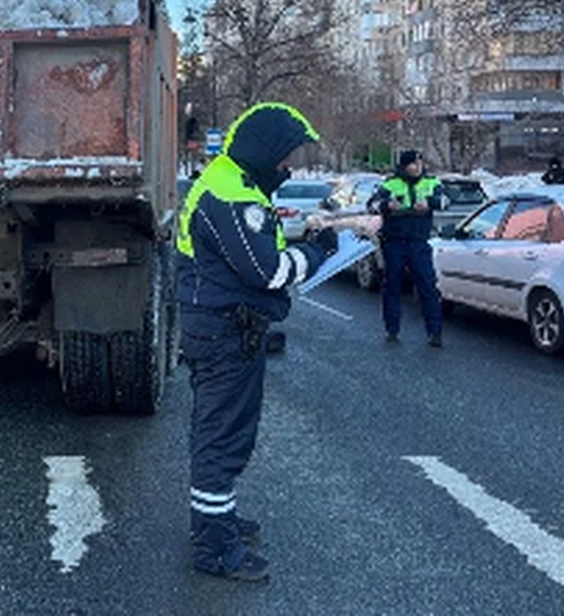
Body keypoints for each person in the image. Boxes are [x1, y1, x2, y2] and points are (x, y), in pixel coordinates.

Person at [175, 103, 337, 582]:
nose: (288, 166)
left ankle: (216, 521)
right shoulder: (231, 195)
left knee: (220, 432)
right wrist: (318, 252)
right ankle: (215, 548)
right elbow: (268, 271)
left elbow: (256, 253)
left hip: (223, 328)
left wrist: (297, 242)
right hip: (226, 332)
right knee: (221, 437)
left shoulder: (235, 182)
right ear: (265, 152)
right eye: (286, 157)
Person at [369, 149, 447, 347]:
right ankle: (392, 329)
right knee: (392, 287)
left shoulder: (431, 182)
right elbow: (372, 204)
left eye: (420, 163)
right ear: (404, 166)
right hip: (395, 242)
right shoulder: (390, 184)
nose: (417, 167)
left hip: (419, 242)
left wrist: (430, 203)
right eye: (413, 164)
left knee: (428, 287)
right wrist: (387, 205)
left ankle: (435, 333)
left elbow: (445, 201)